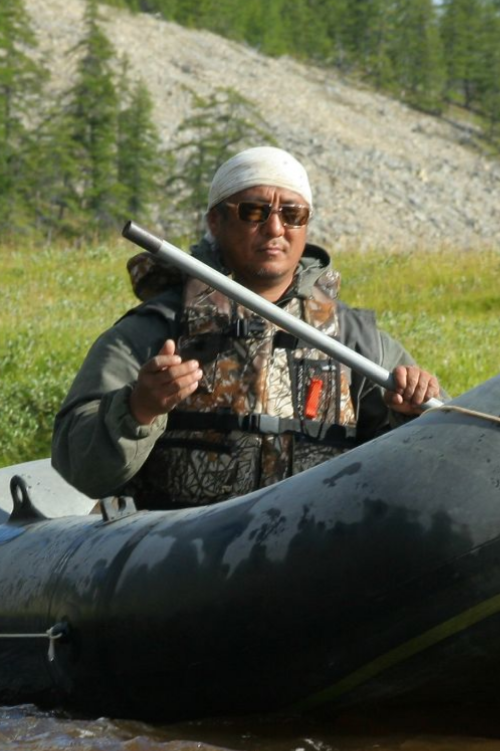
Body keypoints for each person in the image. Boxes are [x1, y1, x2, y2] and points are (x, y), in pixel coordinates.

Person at [52, 145, 441, 510]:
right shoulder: (153, 331)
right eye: (253, 212)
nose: (275, 228)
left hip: (319, 557)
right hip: (176, 559)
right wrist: (138, 409)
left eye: (293, 215)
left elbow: (430, 469)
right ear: (215, 221)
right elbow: (79, 468)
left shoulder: (358, 341)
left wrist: (409, 417)